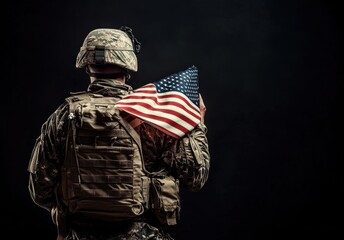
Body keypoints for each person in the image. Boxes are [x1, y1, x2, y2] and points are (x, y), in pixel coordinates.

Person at [27, 26, 210, 240]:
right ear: (128, 66)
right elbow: (196, 176)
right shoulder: (152, 115)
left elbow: (40, 190)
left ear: (86, 64)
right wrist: (196, 125)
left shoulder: (63, 118)